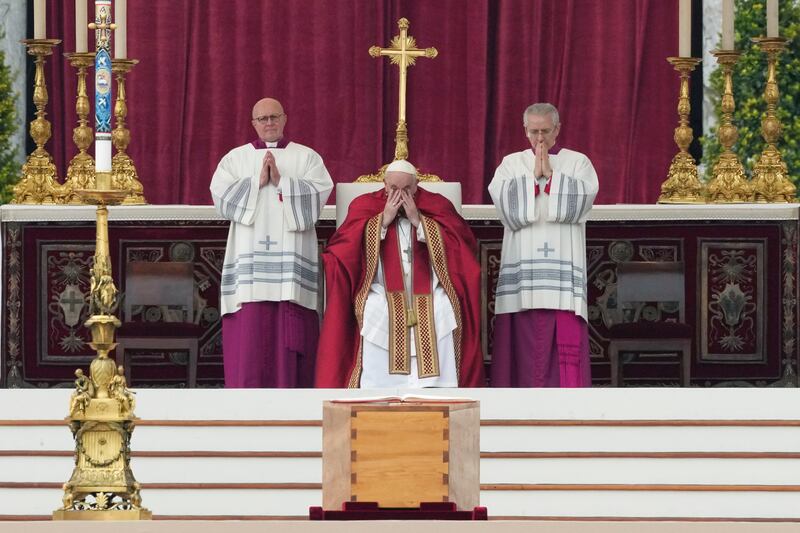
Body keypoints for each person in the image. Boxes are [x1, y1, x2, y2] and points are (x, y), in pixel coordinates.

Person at [316, 160, 484, 388]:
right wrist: (381, 222)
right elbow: (341, 251)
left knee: (441, 307)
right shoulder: (364, 205)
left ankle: (436, 386)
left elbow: (462, 246)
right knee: (375, 308)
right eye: (393, 189)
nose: (399, 195)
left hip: (430, 290)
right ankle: (379, 385)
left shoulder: (437, 205)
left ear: (417, 187)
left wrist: (419, 222)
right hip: (380, 288)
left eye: (406, 190)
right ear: (384, 185)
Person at [211, 97, 333, 387]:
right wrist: (256, 181)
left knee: (291, 324)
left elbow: (319, 195)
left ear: (284, 119)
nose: (269, 123)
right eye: (262, 119)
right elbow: (220, 198)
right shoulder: (235, 158)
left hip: (291, 267)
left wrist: (283, 182)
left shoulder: (306, 158)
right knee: (251, 332)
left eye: (274, 117)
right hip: (249, 267)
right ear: (253, 123)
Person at [488, 103, 598, 387]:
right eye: (534, 131)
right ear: (525, 130)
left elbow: (582, 202)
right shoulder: (511, 164)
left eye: (545, 131)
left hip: (562, 279)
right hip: (523, 272)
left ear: (557, 130)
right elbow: (507, 208)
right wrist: (532, 178)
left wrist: (551, 177)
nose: (540, 139)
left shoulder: (577, 162)